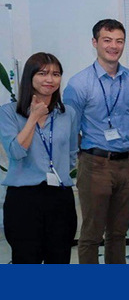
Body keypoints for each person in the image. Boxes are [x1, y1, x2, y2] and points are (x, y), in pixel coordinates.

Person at [64, 19, 129, 264]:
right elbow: (71, 128)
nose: (113, 46)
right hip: (95, 163)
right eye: (107, 40)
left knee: (118, 233)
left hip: (127, 164)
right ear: (95, 42)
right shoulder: (79, 83)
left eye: (119, 41)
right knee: (91, 234)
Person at [1, 53, 78, 264]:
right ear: (30, 77)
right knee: (26, 260)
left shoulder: (68, 113)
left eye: (56, 74)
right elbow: (16, 152)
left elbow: (72, 154)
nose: (49, 79)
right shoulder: (8, 113)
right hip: (24, 198)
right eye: (42, 73)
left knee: (60, 258)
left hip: (59, 197)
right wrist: (33, 116)